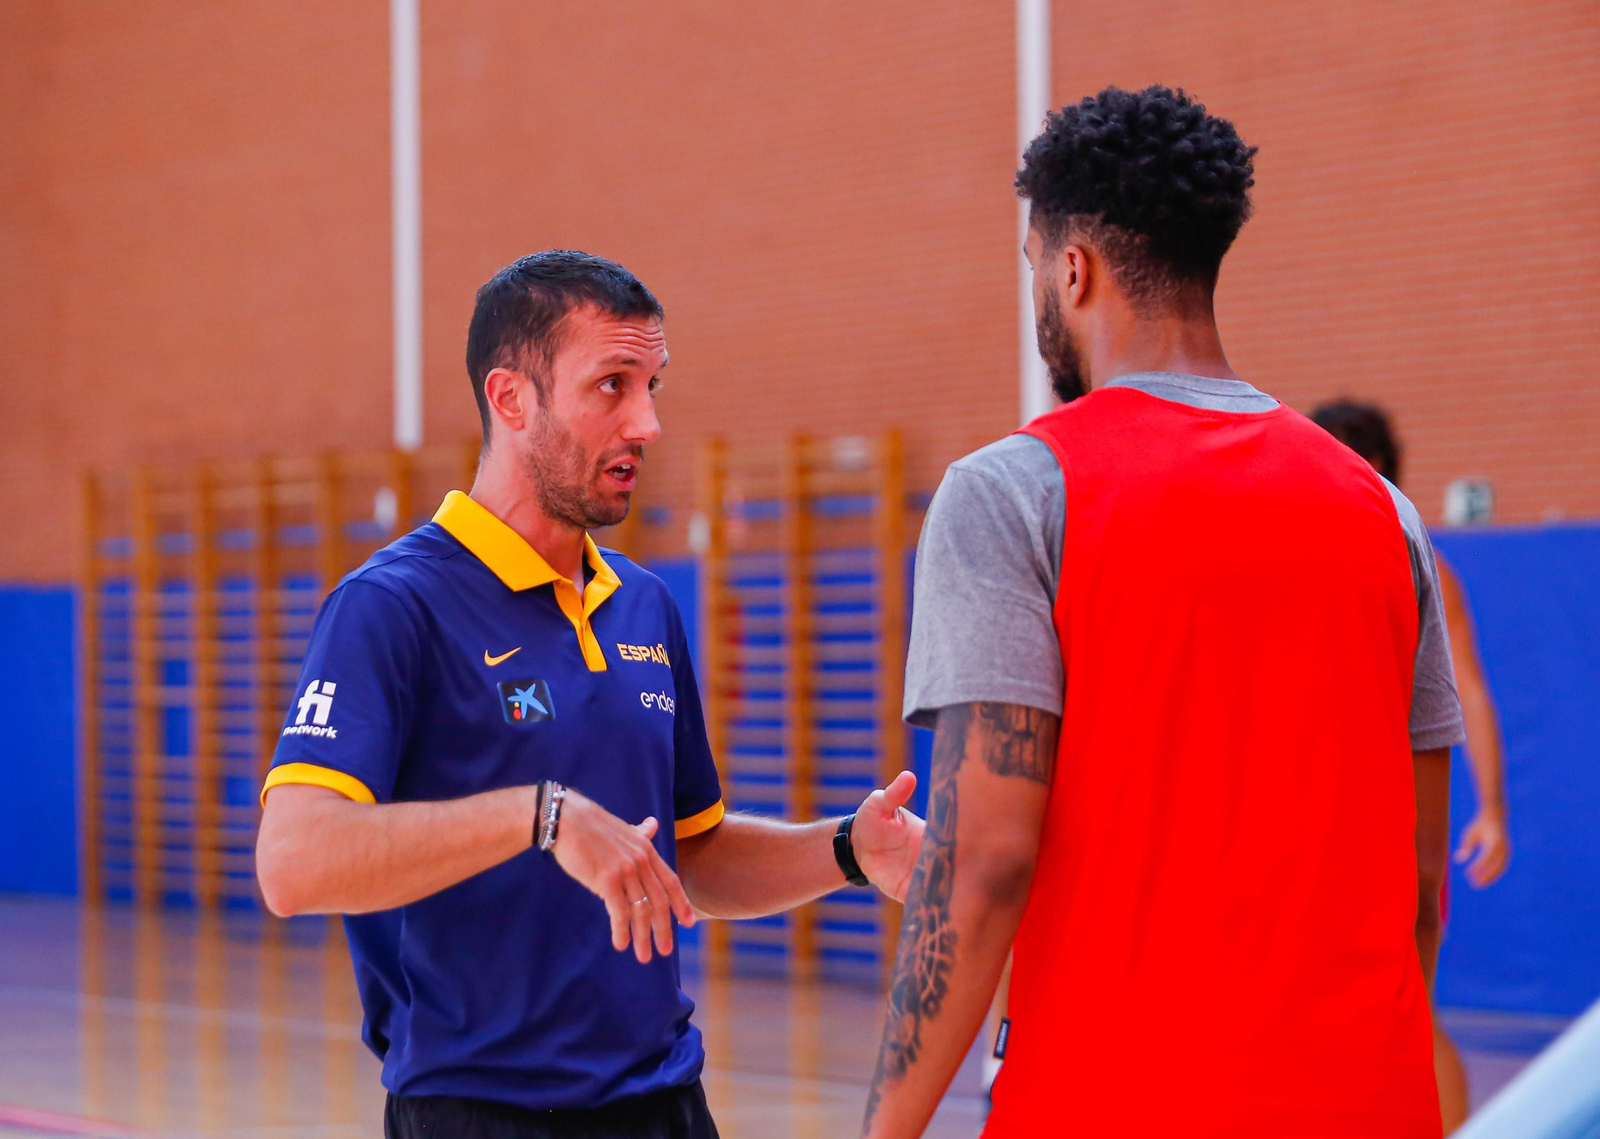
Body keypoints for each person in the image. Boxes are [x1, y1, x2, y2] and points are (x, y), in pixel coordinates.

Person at [860, 86, 1465, 1139]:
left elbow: (982, 861)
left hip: (1113, 1102)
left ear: (1072, 269)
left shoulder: (1011, 491)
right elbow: (1416, 880)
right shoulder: (1387, 515)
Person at [254, 251, 925, 1139]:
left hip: (667, 1104)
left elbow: (692, 857)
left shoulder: (643, 602)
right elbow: (293, 861)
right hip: (482, 1114)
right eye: (612, 384)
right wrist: (542, 816)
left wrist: (845, 849)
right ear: (511, 399)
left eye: (652, 384)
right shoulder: (390, 607)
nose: (646, 422)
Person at [1312, 398, 1514, 1133]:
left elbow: (1473, 689)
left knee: (1407, 1010)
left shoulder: (1420, 561)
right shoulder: (1304, 558)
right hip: (1323, 827)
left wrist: (1492, 809)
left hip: (1388, 832)